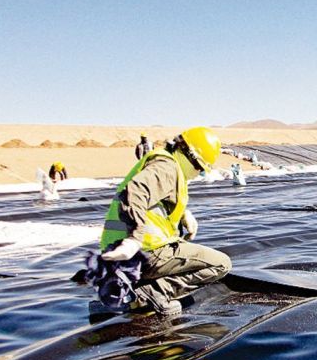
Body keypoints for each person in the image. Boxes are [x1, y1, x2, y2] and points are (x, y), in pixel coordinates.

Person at [90, 126, 232, 316]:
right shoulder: (167, 167)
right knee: (221, 263)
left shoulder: (165, 163)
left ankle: (134, 292)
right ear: (189, 155)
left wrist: (183, 214)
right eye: (199, 167)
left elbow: (153, 198)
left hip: (120, 253)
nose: (198, 173)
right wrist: (135, 238)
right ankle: (153, 293)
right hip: (143, 251)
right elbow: (136, 192)